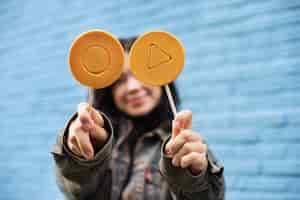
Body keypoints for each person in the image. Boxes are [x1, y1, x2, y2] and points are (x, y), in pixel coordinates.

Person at [51, 36, 225, 200]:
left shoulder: (186, 147)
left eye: (142, 74)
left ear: (162, 78)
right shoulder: (97, 138)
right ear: (108, 90)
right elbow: (73, 189)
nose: (133, 87)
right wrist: (78, 157)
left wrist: (192, 176)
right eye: (119, 80)